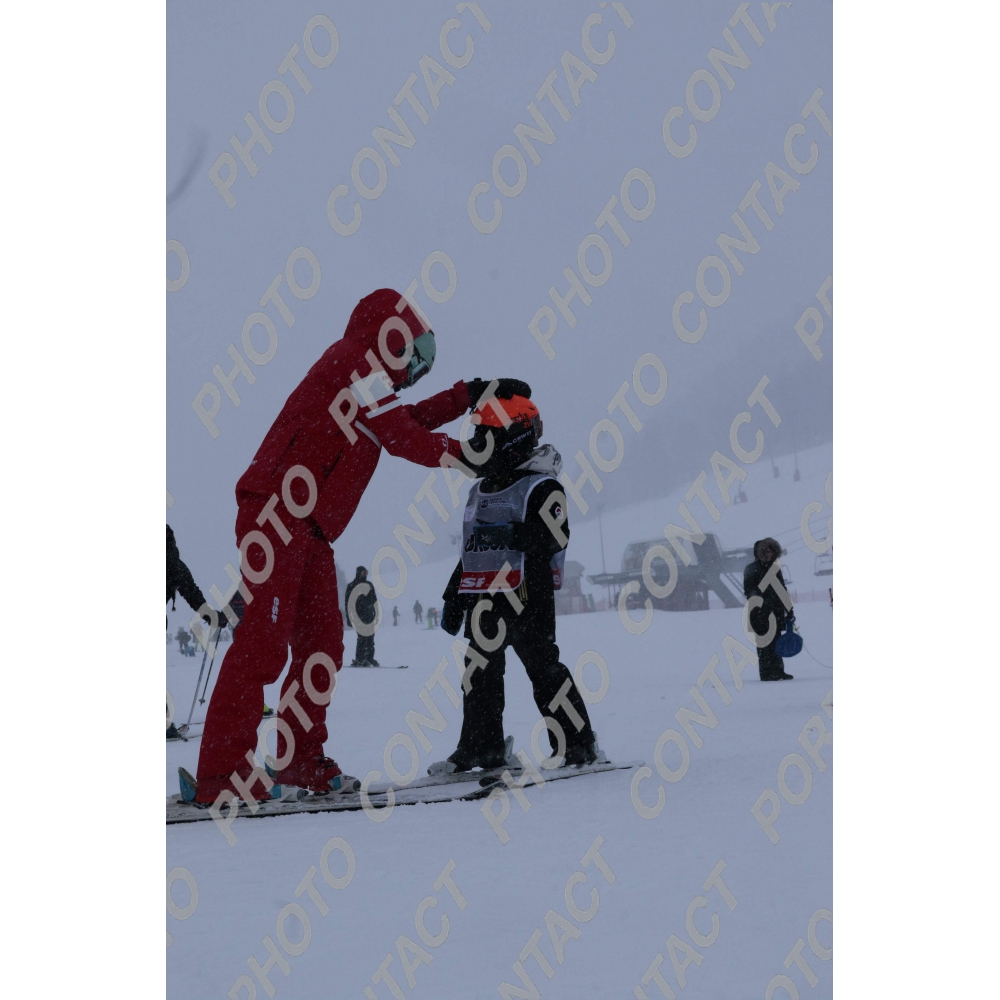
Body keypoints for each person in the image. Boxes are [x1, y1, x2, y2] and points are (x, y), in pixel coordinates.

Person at [193, 284, 528, 804]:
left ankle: (299, 760)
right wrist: (471, 456)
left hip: (312, 531)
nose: (414, 374)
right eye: (415, 359)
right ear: (393, 337)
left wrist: (470, 394)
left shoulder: (371, 389)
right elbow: (402, 436)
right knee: (263, 643)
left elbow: (406, 421)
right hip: (276, 512)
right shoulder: (352, 362)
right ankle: (221, 775)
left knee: (323, 647)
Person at [433, 394, 600, 773]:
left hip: (528, 594)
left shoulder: (541, 486)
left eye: (486, 437)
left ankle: (578, 745)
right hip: (484, 598)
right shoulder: (480, 489)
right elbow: (472, 549)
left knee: (543, 669)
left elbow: (555, 536)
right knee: (479, 672)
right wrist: (453, 597)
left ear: (514, 437)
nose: (478, 446)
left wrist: (508, 533)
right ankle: (482, 748)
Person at [743, 537, 794, 681]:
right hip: (759, 613)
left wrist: (789, 610)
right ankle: (766, 674)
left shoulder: (775, 569)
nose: (769, 554)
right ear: (759, 552)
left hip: (776, 612)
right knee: (764, 644)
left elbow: (782, 590)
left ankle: (779, 671)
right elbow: (749, 591)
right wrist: (763, 605)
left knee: (777, 642)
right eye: (766, 551)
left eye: (771, 551)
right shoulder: (751, 569)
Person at [345, 566, 379, 666]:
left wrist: (376, 614)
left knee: (370, 638)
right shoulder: (352, 586)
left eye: (366, 573)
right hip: (358, 616)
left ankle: (369, 658)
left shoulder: (369, 585)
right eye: (364, 573)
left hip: (369, 615)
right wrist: (349, 618)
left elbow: (374, 601)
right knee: (362, 638)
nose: (365, 575)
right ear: (359, 573)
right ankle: (359, 659)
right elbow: (348, 603)